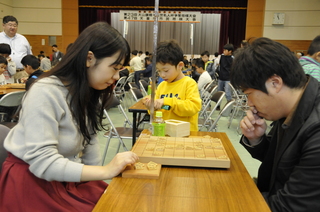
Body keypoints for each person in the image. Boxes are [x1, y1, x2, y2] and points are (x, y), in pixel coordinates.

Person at [0, 22, 139, 211]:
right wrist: (105, 171)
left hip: (63, 178)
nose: (116, 76)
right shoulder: (45, 91)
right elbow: (43, 163)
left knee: (120, 202)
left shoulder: (86, 92)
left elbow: (90, 142)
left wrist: (95, 178)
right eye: (114, 68)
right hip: (33, 182)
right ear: (89, 58)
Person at [231, 37, 320, 211]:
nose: (249, 103)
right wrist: (257, 140)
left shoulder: (316, 130)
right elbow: (284, 162)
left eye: (249, 93)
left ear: (275, 83)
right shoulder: (290, 108)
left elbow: (288, 207)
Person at [143, 40, 202, 131]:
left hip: (185, 134)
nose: (162, 75)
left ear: (180, 65)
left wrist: (167, 101)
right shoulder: (162, 85)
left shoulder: (189, 83)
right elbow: (161, 110)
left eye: (166, 70)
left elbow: (193, 107)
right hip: (165, 132)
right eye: (159, 71)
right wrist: (151, 106)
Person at [0, 15, 32, 81]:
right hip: (4, 73)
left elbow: (29, 55)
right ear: (3, 25)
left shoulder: (22, 39)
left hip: (22, 73)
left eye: (15, 25)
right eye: (10, 25)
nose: (13, 27)